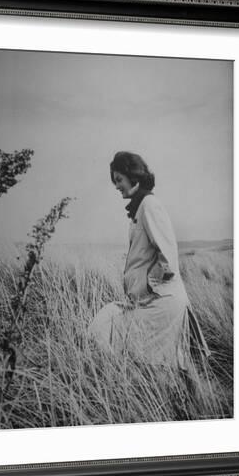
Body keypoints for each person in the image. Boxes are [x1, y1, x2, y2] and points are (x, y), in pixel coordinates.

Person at [88, 151, 210, 370]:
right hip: (156, 299)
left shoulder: (149, 205)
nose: (116, 186)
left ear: (132, 176)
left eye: (119, 180)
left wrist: (147, 286)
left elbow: (168, 257)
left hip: (161, 302)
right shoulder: (141, 205)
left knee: (107, 331)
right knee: (154, 365)